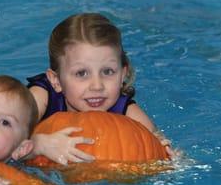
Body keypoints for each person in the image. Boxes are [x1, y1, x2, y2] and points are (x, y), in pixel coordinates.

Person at [27, 12, 173, 165]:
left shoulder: (125, 109)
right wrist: (39, 144)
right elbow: (5, 140)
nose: (97, 86)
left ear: (122, 74)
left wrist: (170, 155)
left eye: (107, 71)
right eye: (81, 73)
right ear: (56, 80)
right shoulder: (42, 97)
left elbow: (159, 144)